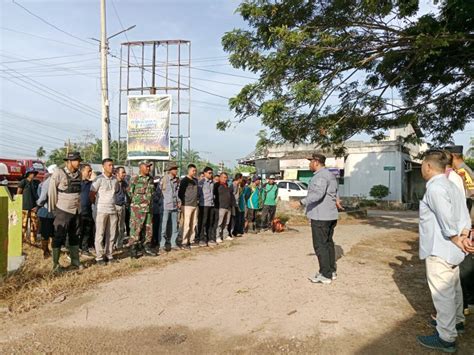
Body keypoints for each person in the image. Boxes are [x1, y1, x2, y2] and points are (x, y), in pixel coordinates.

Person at [415, 150, 472, 353]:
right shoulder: (452, 184)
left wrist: (457, 239)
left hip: (440, 248)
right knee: (454, 287)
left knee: (442, 293)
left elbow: (445, 219)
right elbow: (464, 214)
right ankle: (456, 321)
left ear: (429, 166)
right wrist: (464, 236)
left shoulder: (436, 188)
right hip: (454, 249)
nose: (422, 167)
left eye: (422, 164)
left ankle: (446, 337)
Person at [445, 145, 474, 315]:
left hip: (468, 224)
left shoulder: (462, 172)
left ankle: (465, 303)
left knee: (465, 265)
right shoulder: (462, 171)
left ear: (453, 157)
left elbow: (469, 198)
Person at [302, 153, 338, 285]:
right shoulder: (330, 175)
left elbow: (318, 194)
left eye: (310, 162)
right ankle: (331, 270)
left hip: (320, 216)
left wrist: (301, 202)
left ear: (316, 162)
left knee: (320, 245)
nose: (309, 164)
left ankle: (325, 275)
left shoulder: (321, 176)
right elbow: (335, 192)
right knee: (328, 244)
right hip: (330, 215)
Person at [48, 152, 84, 272]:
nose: (78, 163)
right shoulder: (58, 173)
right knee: (59, 236)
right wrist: (52, 209)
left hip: (76, 210)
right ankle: (55, 264)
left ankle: (75, 261)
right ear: (69, 162)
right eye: (76, 161)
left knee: (75, 235)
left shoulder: (79, 174)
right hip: (63, 209)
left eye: (79, 160)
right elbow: (52, 191)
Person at [90, 158, 119, 265]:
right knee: (100, 234)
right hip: (101, 210)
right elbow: (92, 195)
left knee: (111, 234)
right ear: (104, 167)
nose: (112, 167)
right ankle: (99, 257)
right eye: (109, 165)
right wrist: (97, 205)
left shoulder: (115, 180)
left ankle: (109, 254)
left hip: (112, 210)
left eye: (112, 165)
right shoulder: (98, 179)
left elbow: (115, 192)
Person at [128, 160, 157, 258]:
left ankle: (146, 247)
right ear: (140, 167)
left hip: (149, 209)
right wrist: (137, 205)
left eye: (149, 166)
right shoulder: (135, 179)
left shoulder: (151, 179)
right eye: (147, 166)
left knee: (149, 229)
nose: (149, 168)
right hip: (137, 210)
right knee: (136, 229)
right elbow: (129, 193)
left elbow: (152, 193)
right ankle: (133, 249)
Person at [36, 165, 57, 258]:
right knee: (52, 233)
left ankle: (47, 252)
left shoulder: (45, 183)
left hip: (46, 211)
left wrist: (38, 204)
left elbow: (41, 198)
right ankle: (47, 252)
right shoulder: (51, 182)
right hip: (52, 211)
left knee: (46, 234)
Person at [178, 164, 199, 249]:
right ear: (189, 170)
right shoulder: (184, 181)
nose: (194, 172)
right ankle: (184, 241)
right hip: (186, 205)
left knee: (193, 223)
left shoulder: (195, 180)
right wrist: (183, 202)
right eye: (193, 171)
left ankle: (191, 240)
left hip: (195, 205)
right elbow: (180, 193)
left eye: (195, 171)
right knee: (186, 224)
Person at [17, 167, 40, 244]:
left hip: (34, 207)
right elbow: (18, 193)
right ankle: (22, 240)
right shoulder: (23, 182)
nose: (33, 174)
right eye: (31, 173)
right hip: (24, 207)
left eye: (34, 173)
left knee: (34, 224)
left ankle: (33, 240)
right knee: (24, 224)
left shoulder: (36, 182)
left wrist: (37, 206)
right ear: (28, 174)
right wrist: (18, 203)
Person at [160, 163, 180, 251]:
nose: (176, 170)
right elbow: (159, 192)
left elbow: (177, 192)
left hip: (174, 206)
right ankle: (162, 245)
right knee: (163, 227)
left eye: (176, 169)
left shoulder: (176, 180)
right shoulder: (164, 179)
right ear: (170, 170)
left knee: (174, 226)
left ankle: (173, 243)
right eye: (174, 169)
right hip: (165, 206)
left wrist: (179, 201)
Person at [214, 172, 234, 242]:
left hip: (228, 207)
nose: (225, 179)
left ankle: (225, 235)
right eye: (224, 177)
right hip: (221, 207)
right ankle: (217, 236)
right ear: (220, 177)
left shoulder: (227, 185)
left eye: (226, 177)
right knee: (220, 223)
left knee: (226, 223)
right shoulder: (217, 185)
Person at [197, 166, 215, 246]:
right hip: (203, 205)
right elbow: (198, 194)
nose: (211, 174)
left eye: (211, 173)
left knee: (210, 222)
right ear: (204, 173)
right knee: (202, 222)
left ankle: (209, 238)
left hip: (211, 205)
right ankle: (201, 239)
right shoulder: (201, 183)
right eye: (209, 173)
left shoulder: (212, 183)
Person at [79, 164, 94, 256]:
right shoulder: (76, 183)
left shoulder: (91, 184)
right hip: (77, 212)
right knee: (76, 232)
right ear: (81, 171)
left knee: (87, 231)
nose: (90, 173)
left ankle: (84, 249)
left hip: (88, 211)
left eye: (91, 171)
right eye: (88, 171)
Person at [115, 166, 129, 250]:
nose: (124, 174)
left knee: (121, 227)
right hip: (114, 206)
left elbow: (128, 192)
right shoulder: (113, 182)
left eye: (124, 172)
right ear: (117, 173)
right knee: (113, 227)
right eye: (122, 172)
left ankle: (119, 244)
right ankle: (112, 244)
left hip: (122, 206)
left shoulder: (124, 183)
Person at [152, 176, 163, 250]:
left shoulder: (159, 189)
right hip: (153, 211)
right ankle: (153, 241)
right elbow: (155, 198)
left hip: (158, 211)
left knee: (157, 227)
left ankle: (156, 241)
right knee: (153, 227)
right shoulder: (152, 189)